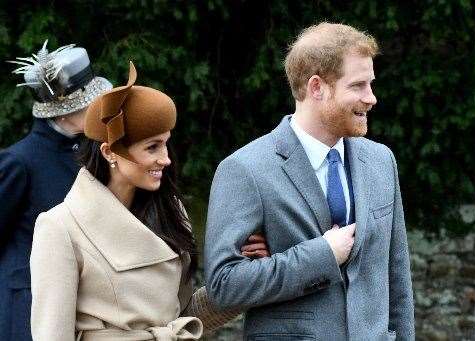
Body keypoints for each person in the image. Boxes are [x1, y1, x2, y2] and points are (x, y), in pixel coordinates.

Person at [205, 22, 415, 340]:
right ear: (317, 87)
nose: (372, 98)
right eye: (358, 86)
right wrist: (322, 256)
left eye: (371, 84)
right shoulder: (245, 170)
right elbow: (224, 286)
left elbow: (397, 279)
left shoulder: (381, 161)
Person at [30, 61, 268, 340]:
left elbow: (182, 318)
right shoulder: (60, 227)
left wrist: (243, 273)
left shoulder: (170, 211)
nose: (166, 158)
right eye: (152, 147)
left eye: (166, 143)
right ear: (109, 153)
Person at [0, 41, 113, 341]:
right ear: (63, 114)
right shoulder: (19, 161)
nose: (98, 108)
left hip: (83, 298)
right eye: (90, 104)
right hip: (28, 304)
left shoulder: (95, 151)